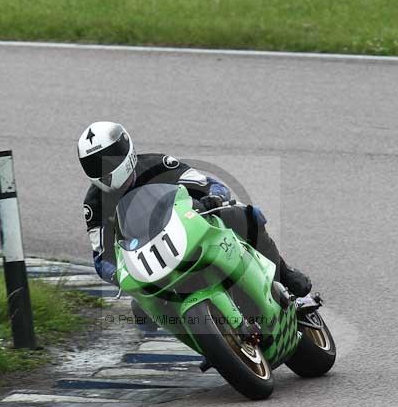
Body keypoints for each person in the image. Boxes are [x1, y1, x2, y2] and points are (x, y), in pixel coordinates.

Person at [78, 121, 312, 296]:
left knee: (248, 216)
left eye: (108, 158)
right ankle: (210, 343)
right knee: (141, 313)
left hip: (190, 224)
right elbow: (101, 257)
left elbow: (209, 184)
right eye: (94, 163)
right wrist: (118, 274)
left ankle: (284, 273)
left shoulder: (157, 164)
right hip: (150, 259)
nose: (103, 167)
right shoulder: (94, 204)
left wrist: (213, 198)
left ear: (125, 150)